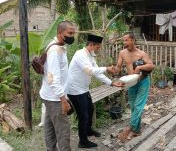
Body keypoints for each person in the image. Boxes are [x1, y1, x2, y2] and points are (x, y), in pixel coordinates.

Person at [66, 34, 124, 149]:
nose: (99, 49)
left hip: (83, 89)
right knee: (84, 115)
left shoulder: (90, 55)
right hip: (75, 90)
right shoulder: (80, 54)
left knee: (90, 109)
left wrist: (111, 83)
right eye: (98, 47)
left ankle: (88, 130)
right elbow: (90, 71)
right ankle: (82, 141)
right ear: (91, 45)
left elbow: (97, 73)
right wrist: (106, 68)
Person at [39, 21, 75, 151]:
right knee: (63, 131)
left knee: (49, 127)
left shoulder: (58, 46)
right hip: (55, 99)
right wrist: (63, 100)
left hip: (48, 96)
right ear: (60, 33)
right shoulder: (55, 50)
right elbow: (52, 78)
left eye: (73, 33)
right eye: (69, 33)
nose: (72, 36)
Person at [115, 32, 154, 141]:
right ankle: (136, 131)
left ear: (133, 40)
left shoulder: (141, 54)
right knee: (133, 106)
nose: (124, 43)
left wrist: (140, 67)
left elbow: (151, 65)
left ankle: (130, 127)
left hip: (142, 82)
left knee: (138, 105)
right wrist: (115, 71)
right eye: (123, 40)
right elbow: (118, 67)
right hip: (131, 82)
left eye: (126, 40)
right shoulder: (122, 53)